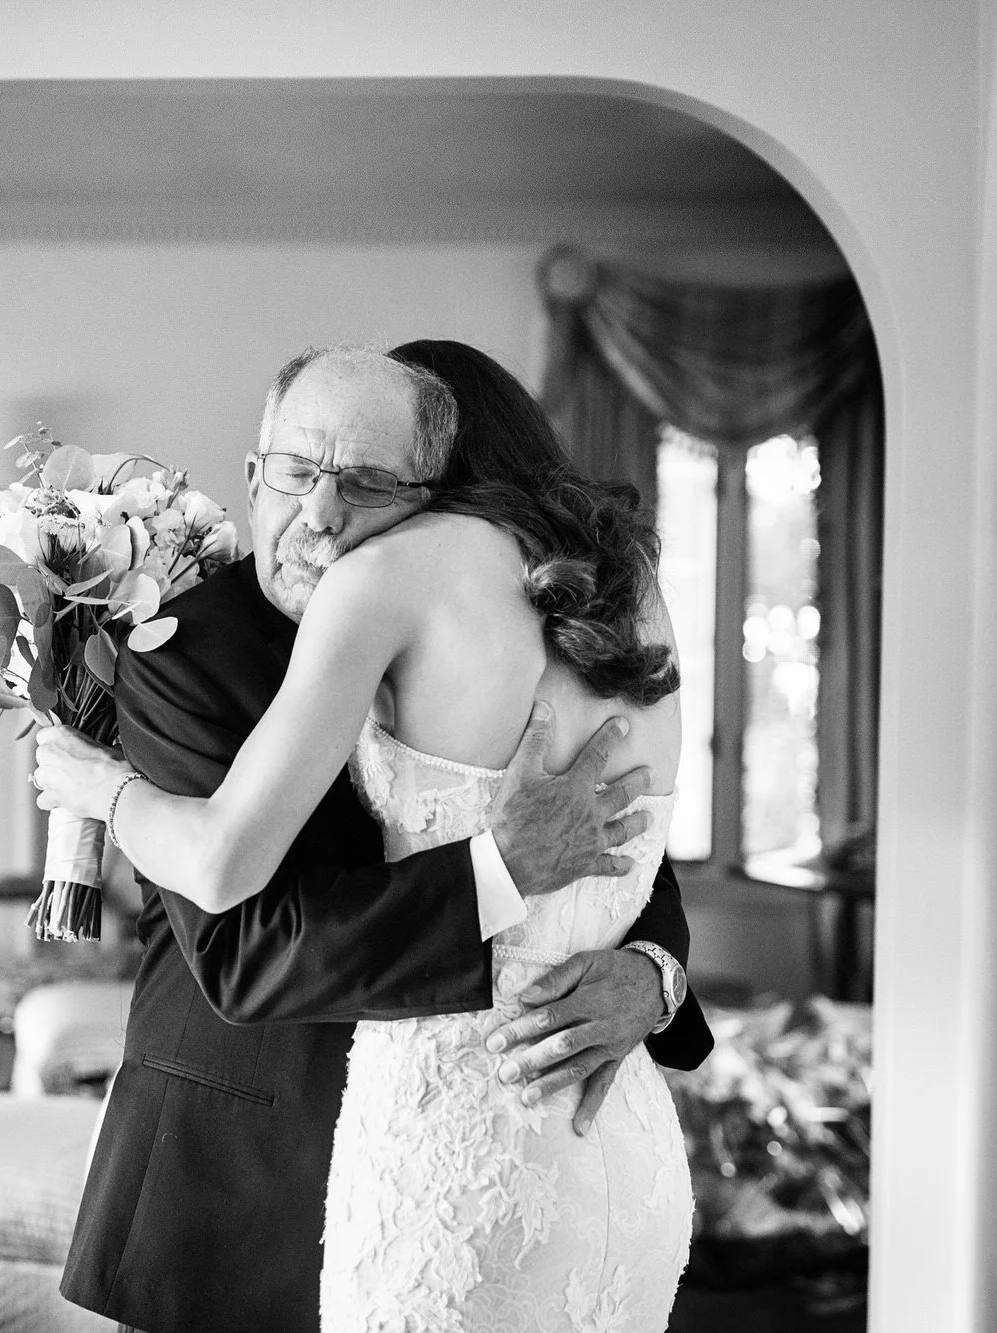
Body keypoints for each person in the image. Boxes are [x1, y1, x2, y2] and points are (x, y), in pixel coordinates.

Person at [47, 343, 709, 1333]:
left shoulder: (490, 611)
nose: (325, 516)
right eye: (300, 473)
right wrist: (498, 870)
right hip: (239, 1187)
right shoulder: (187, 654)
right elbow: (248, 958)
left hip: (479, 1152)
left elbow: (616, 841)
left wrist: (652, 974)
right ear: (256, 475)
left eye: (373, 485)